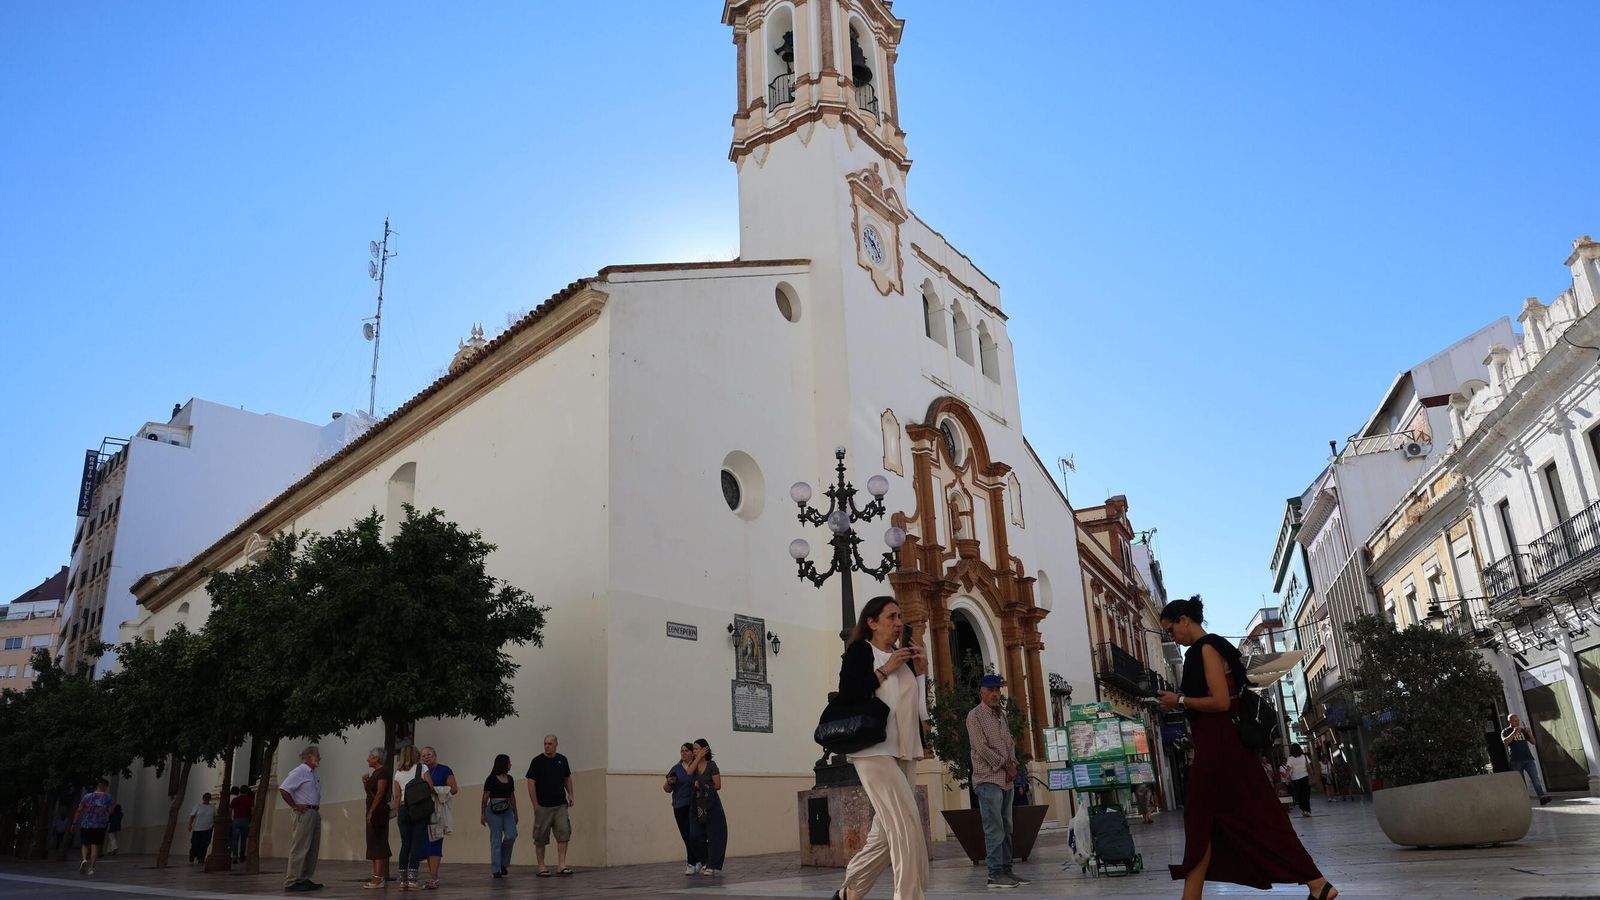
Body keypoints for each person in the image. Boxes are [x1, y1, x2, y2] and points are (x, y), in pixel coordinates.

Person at [1155, 596, 1337, 900]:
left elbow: (1221, 702)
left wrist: (1181, 701)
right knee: (1219, 820)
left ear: (1184, 619)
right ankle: (1317, 884)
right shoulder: (1209, 649)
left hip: (1220, 747)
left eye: (1170, 630)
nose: (1171, 637)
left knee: (1214, 818)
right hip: (1219, 745)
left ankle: (1318, 883)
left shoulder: (1207, 648)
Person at [831, 595, 929, 900]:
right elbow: (847, 692)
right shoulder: (862, 650)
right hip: (873, 750)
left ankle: (850, 892)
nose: (899, 622)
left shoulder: (902, 657)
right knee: (906, 823)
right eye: (891, 617)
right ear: (871, 622)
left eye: (900, 616)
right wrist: (886, 668)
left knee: (885, 832)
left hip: (904, 748)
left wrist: (921, 671)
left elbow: (920, 710)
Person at [968, 673, 1026, 889]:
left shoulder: (1002, 715)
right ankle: (994, 875)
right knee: (994, 828)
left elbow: (1009, 742)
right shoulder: (974, 716)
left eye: (997, 690)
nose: (995, 694)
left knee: (1007, 826)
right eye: (990, 690)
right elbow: (981, 748)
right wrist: (1005, 765)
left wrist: (1013, 764)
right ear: (981, 692)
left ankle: (1007, 871)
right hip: (988, 778)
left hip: (1007, 779)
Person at [525, 734, 574, 877]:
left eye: (550, 744)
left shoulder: (562, 760)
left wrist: (570, 794)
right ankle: (542, 866)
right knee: (540, 836)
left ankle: (562, 864)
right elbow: (530, 782)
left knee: (564, 832)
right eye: (545, 743)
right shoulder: (537, 761)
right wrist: (535, 804)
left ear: (556, 744)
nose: (547, 746)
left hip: (560, 805)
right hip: (543, 806)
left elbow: (567, 777)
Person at [278, 744, 323, 893]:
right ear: (309, 757)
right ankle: (292, 881)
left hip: (314, 812)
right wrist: (294, 805)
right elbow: (284, 789)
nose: (320, 758)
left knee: (312, 848)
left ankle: (304, 878)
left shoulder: (313, 773)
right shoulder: (299, 772)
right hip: (304, 813)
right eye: (318, 755)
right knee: (300, 847)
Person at [418, 746, 458, 890]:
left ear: (435, 755)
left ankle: (433, 877)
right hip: (423, 812)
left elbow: (454, 789)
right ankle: (431, 875)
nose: (426, 757)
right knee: (427, 845)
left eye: (429, 754)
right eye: (423, 755)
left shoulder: (444, 770)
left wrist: (437, 790)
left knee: (435, 843)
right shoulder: (420, 771)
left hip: (438, 811)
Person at [392, 746, 431, 891]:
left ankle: (403, 882)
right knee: (416, 844)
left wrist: (397, 813)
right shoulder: (422, 768)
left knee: (405, 844)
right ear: (416, 755)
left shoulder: (398, 773)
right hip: (419, 809)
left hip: (403, 809)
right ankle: (413, 881)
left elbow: (396, 796)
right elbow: (430, 787)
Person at [687, 738, 727, 876]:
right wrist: (697, 758)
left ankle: (712, 865)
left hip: (711, 802)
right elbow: (689, 773)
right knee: (694, 834)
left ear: (705, 750)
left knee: (715, 834)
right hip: (697, 803)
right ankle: (705, 860)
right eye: (694, 749)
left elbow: (718, 785)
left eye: (697, 749)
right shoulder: (694, 764)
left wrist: (703, 786)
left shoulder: (711, 765)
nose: (694, 751)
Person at [665, 742, 701, 875]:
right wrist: (669, 783)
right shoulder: (676, 768)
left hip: (693, 804)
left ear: (692, 753)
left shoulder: (696, 767)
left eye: (686, 750)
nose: (683, 753)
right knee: (686, 834)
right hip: (679, 805)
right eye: (682, 751)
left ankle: (693, 862)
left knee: (694, 834)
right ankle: (694, 861)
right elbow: (666, 789)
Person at [481, 753, 519, 879]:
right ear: (503, 764)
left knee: (511, 835)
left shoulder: (510, 779)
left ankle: (503, 862)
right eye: (509, 762)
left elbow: (512, 796)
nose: (511, 764)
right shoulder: (491, 779)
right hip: (493, 808)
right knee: (496, 838)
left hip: (507, 808)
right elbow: (485, 797)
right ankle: (496, 868)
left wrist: (516, 812)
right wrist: (482, 814)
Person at [1502, 714, 1552, 805]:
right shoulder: (1505, 731)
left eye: (1518, 720)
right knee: (1519, 781)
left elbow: (1533, 742)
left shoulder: (1523, 731)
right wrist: (1514, 732)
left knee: (1535, 778)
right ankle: (1522, 800)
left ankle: (1542, 797)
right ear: (1510, 721)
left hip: (1528, 759)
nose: (1517, 722)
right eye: (1515, 721)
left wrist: (1529, 734)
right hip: (1515, 760)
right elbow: (1505, 742)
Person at [362, 748, 391, 889]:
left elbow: (380, 793)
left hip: (378, 812)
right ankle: (376, 876)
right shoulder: (375, 773)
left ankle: (379, 878)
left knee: (378, 842)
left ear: (376, 758)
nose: (368, 759)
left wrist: (371, 812)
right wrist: (365, 782)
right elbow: (371, 792)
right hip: (372, 811)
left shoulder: (383, 772)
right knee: (373, 842)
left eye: (370, 756)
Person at [73, 778, 114, 876]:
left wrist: (74, 823)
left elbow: (79, 810)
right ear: (105, 786)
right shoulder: (107, 797)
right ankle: (92, 867)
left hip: (86, 824)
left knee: (85, 844)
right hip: (100, 825)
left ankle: (84, 859)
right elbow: (111, 811)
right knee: (95, 846)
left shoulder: (87, 796)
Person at [187, 793, 217, 865]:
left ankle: (201, 858)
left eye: (208, 798)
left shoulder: (213, 807)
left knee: (204, 844)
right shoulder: (198, 806)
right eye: (205, 798)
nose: (206, 799)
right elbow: (192, 816)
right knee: (195, 844)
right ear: (203, 798)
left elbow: (215, 817)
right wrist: (189, 825)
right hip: (197, 828)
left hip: (208, 828)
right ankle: (192, 855)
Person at [1284, 745, 1312, 817]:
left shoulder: (1290, 759)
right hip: (1304, 777)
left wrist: (1286, 778)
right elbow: (1309, 766)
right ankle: (1307, 810)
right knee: (1306, 795)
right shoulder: (1304, 757)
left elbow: (1288, 769)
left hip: (1295, 779)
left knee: (1299, 795)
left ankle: (1303, 810)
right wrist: (1312, 774)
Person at [230, 787, 253, 864]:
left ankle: (234, 856)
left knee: (234, 840)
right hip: (245, 820)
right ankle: (242, 856)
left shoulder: (235, 800)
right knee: (243, 839)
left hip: (236, 820)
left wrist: (231, 818)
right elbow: (252, 810)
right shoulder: (249, 799)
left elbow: (230, 809)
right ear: (247, 792)